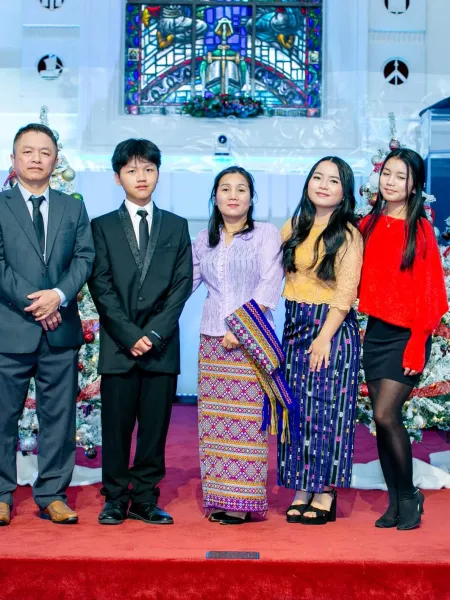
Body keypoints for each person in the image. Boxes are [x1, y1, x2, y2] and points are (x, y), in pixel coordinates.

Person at [88, 139, 192, 526]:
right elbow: (101, 286)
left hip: (161, 348)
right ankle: (115, 498)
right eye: (132, 170)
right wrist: (130, 334)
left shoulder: (177, 225)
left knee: (154, 429)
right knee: (115, 429)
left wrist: (154, 333)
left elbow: (182, 285)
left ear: (158, 174)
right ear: (118, 178)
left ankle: (146, 498)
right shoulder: (101, 227)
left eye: (148, 169)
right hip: (119, 347)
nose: (141, 176)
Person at [0, 123, 94, 526]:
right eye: (28, 151)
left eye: (44, 152)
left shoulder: (73, 207)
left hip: (61, 329)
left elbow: (85, 258)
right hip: (10, 329)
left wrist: (58, 295)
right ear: (13, 159)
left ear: (55, 160)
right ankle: (1, 494)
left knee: (59, 417)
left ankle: (53, 494)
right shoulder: (1, 205)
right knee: (3, 416)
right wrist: (37, 303)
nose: (36, 158)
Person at [359, 148, 448, 530]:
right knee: (383, 422)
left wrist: (416, 343)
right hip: (376, 333)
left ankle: (409, 494)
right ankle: (395, 502)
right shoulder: (368, 225)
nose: (391, 182)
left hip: (407, 336)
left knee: (385, 414)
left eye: (401, 176)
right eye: (387, 174)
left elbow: (432, 295)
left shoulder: (421, 229)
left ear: (414, 187)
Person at [192, 166, 283, 525]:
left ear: (251, 197)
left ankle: (241, 502)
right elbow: (186, 283)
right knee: (214, 424)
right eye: (225, 188)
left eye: (241, 189)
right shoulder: (204, 239)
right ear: (214, 196)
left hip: (250, 341)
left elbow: (270, 282)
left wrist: (241, 327)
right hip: (211, 342)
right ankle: (218, 496)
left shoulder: (265, 234)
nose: (233, 195)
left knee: (247, 425)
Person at [278, 157, 363, 525]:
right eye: (318, 177)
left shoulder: (348, 234)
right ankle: (302, 487)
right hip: (295, 327)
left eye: (333, 180)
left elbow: (346, 292)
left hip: (331, 329)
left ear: (345, 192)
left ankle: (324, 490)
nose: (323, 185)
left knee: (328, 412)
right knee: (296, 410)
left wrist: (325, 337)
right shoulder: (294, 226)